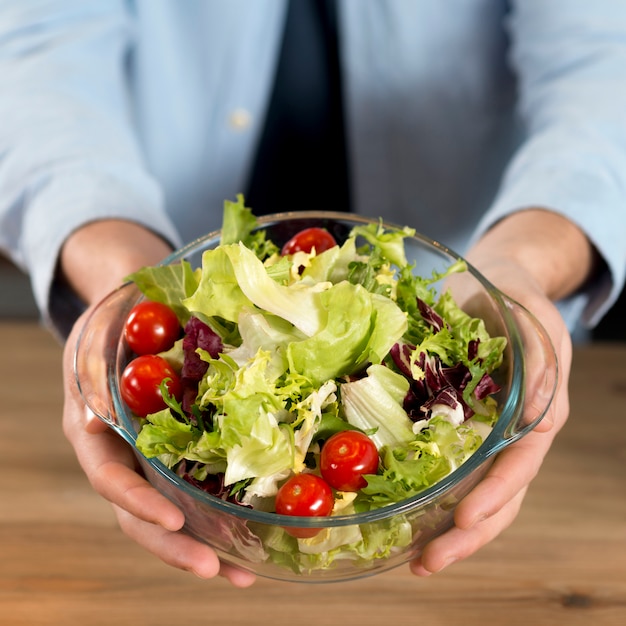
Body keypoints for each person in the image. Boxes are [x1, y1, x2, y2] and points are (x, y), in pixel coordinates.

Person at [1, 1, 625, 587]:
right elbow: (37, 47)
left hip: (468, 253)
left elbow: (604, 56)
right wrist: (119, 261)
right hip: (171, 236)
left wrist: (522, 257)